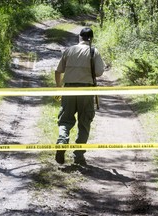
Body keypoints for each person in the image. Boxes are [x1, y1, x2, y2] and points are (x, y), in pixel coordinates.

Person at [54, 27, 105, 165]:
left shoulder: (69, 50)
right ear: (91, 39)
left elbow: (58, 71)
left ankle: (62, 141)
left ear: (80, 37)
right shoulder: (94, 51)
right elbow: (100, 72)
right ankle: (78, 156)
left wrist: (59, 88)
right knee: (84, 123)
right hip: (86, 91)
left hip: (69, 90)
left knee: (65, 120)